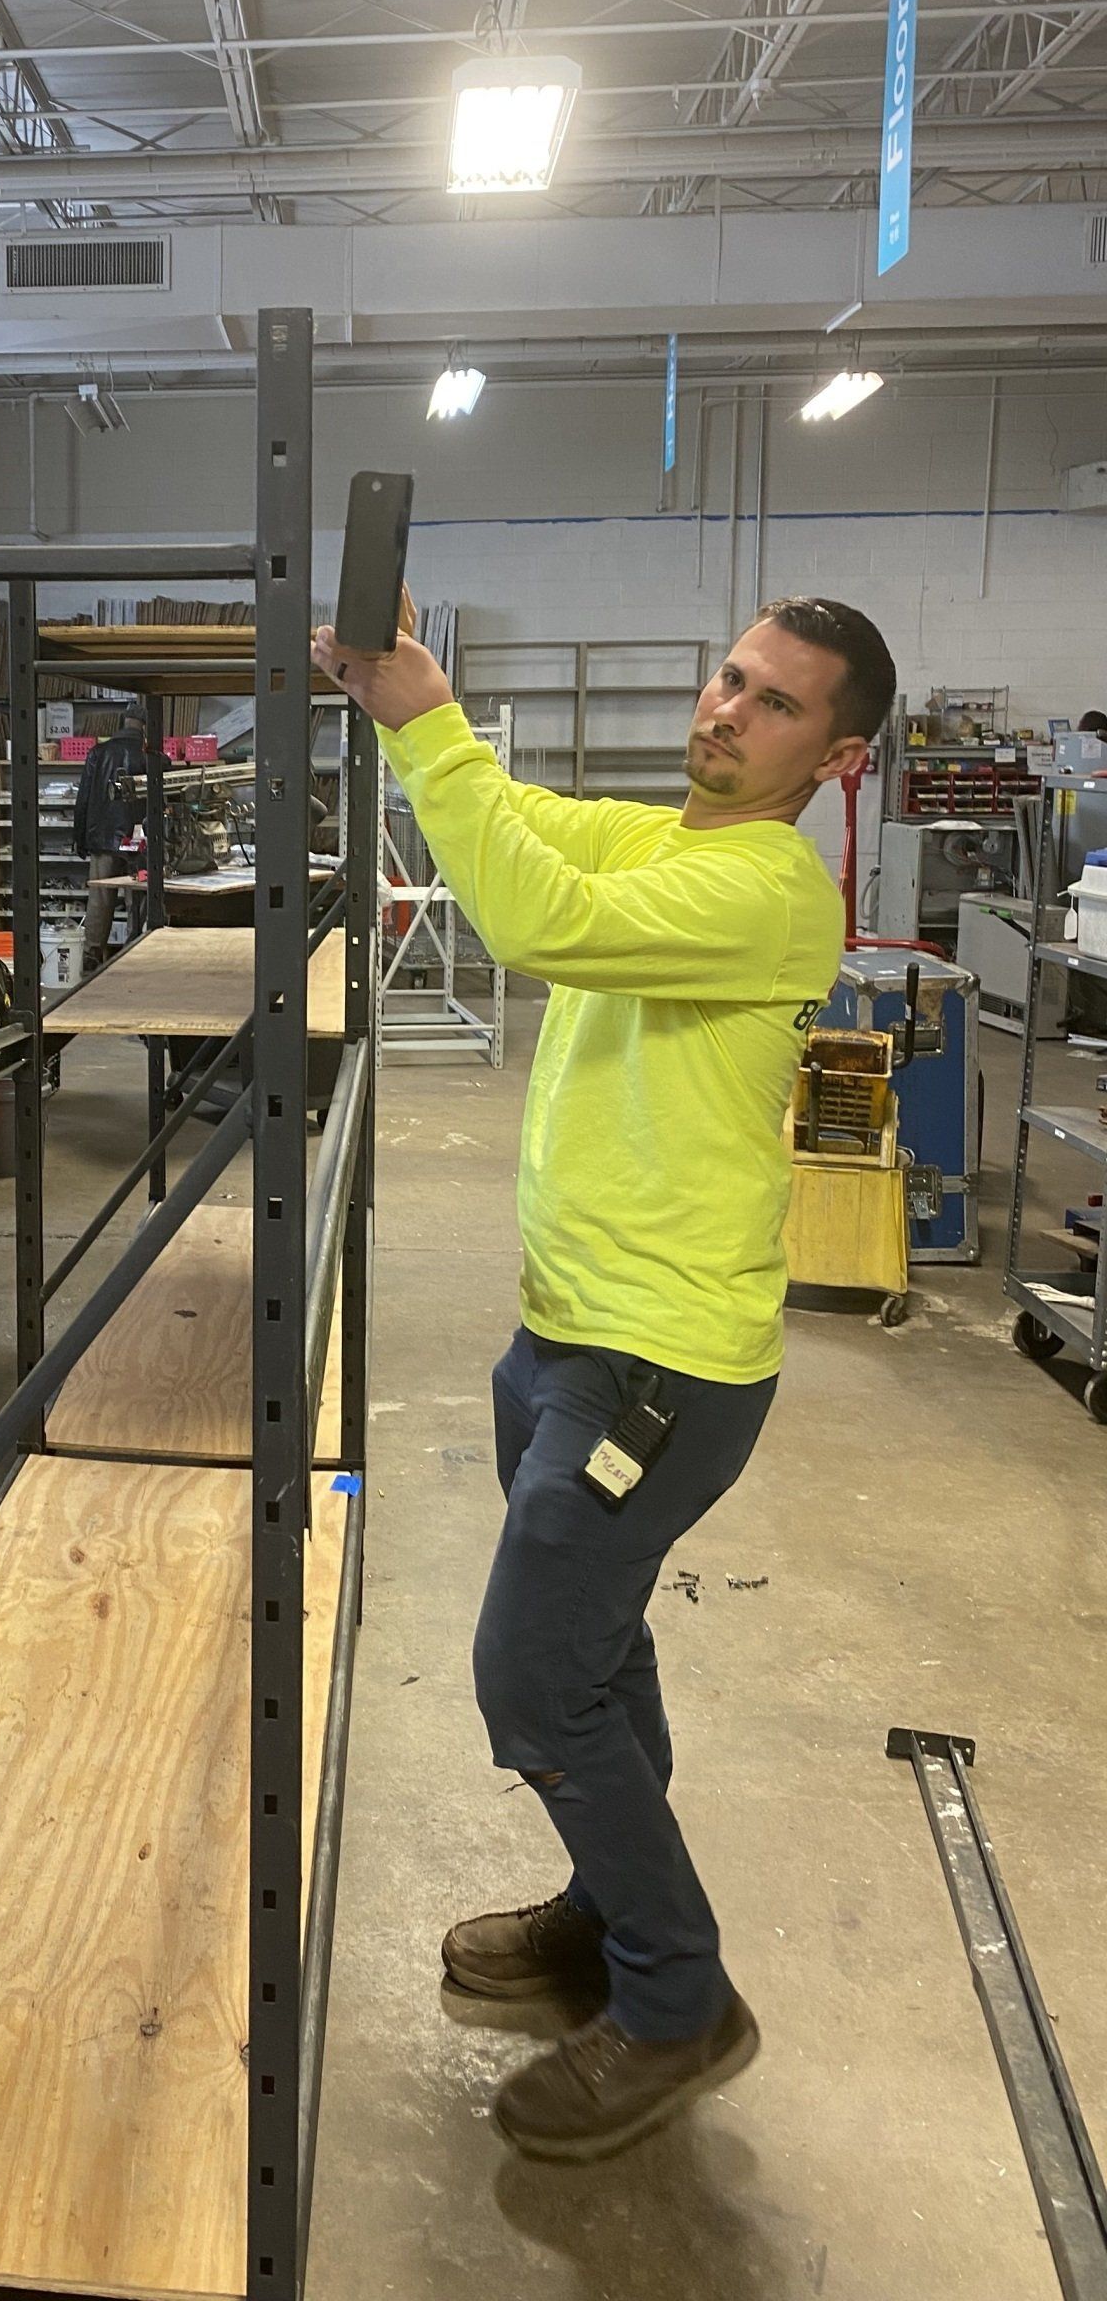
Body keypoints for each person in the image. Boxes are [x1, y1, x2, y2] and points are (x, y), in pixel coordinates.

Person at [313, 593, 895, 2166]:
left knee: (532, 1674)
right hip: (567, 1335)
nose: (724, 709)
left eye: (772, 704)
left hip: (658, 1371)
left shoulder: (766, 889)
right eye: (727, 676)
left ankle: (673, 1998)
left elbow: (533, 922)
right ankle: (602, 1913)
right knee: (599, 1649)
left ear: (835, 758)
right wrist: (410, 715)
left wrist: (427, 718)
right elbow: (524, 833)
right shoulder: (671, 841)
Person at [73, 700, 148, 965]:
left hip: (102, 838)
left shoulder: (98, 752)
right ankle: (134, 954)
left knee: (100, 901)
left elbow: (83, 799)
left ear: (123, 722)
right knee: (136, 901)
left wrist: (80, 839)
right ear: (145, 727)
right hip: (140, 844)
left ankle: (92, 956)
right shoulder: (150, 755)